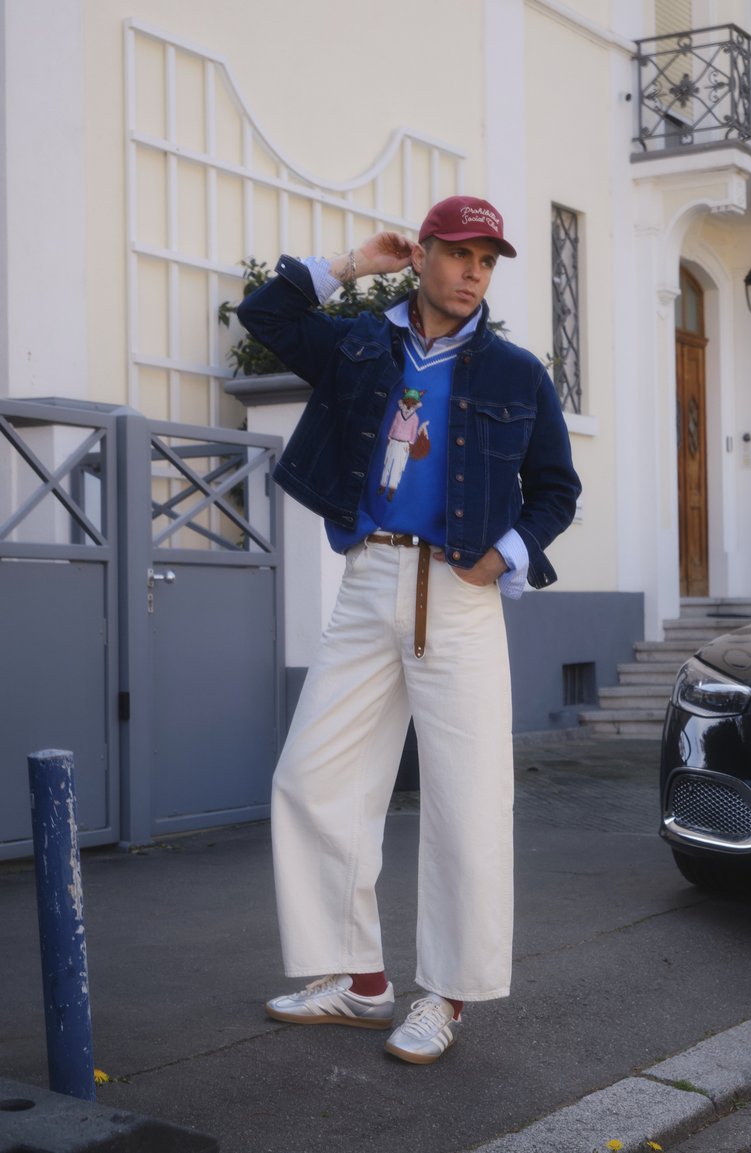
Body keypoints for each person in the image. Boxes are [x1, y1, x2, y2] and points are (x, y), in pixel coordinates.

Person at [236, 195, 581, 1065]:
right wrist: (355, 264)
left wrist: (502, 555)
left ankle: (445, 996)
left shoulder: (515, 371)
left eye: (488, 260)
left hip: (460, 588)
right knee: (312, 775)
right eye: (460, 254)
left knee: (466, 800)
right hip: (369, 577)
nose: (475, 273)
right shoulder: (362, 344)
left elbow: (556, 489)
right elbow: (267, 313)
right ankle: (357, 980)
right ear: (422, 254)